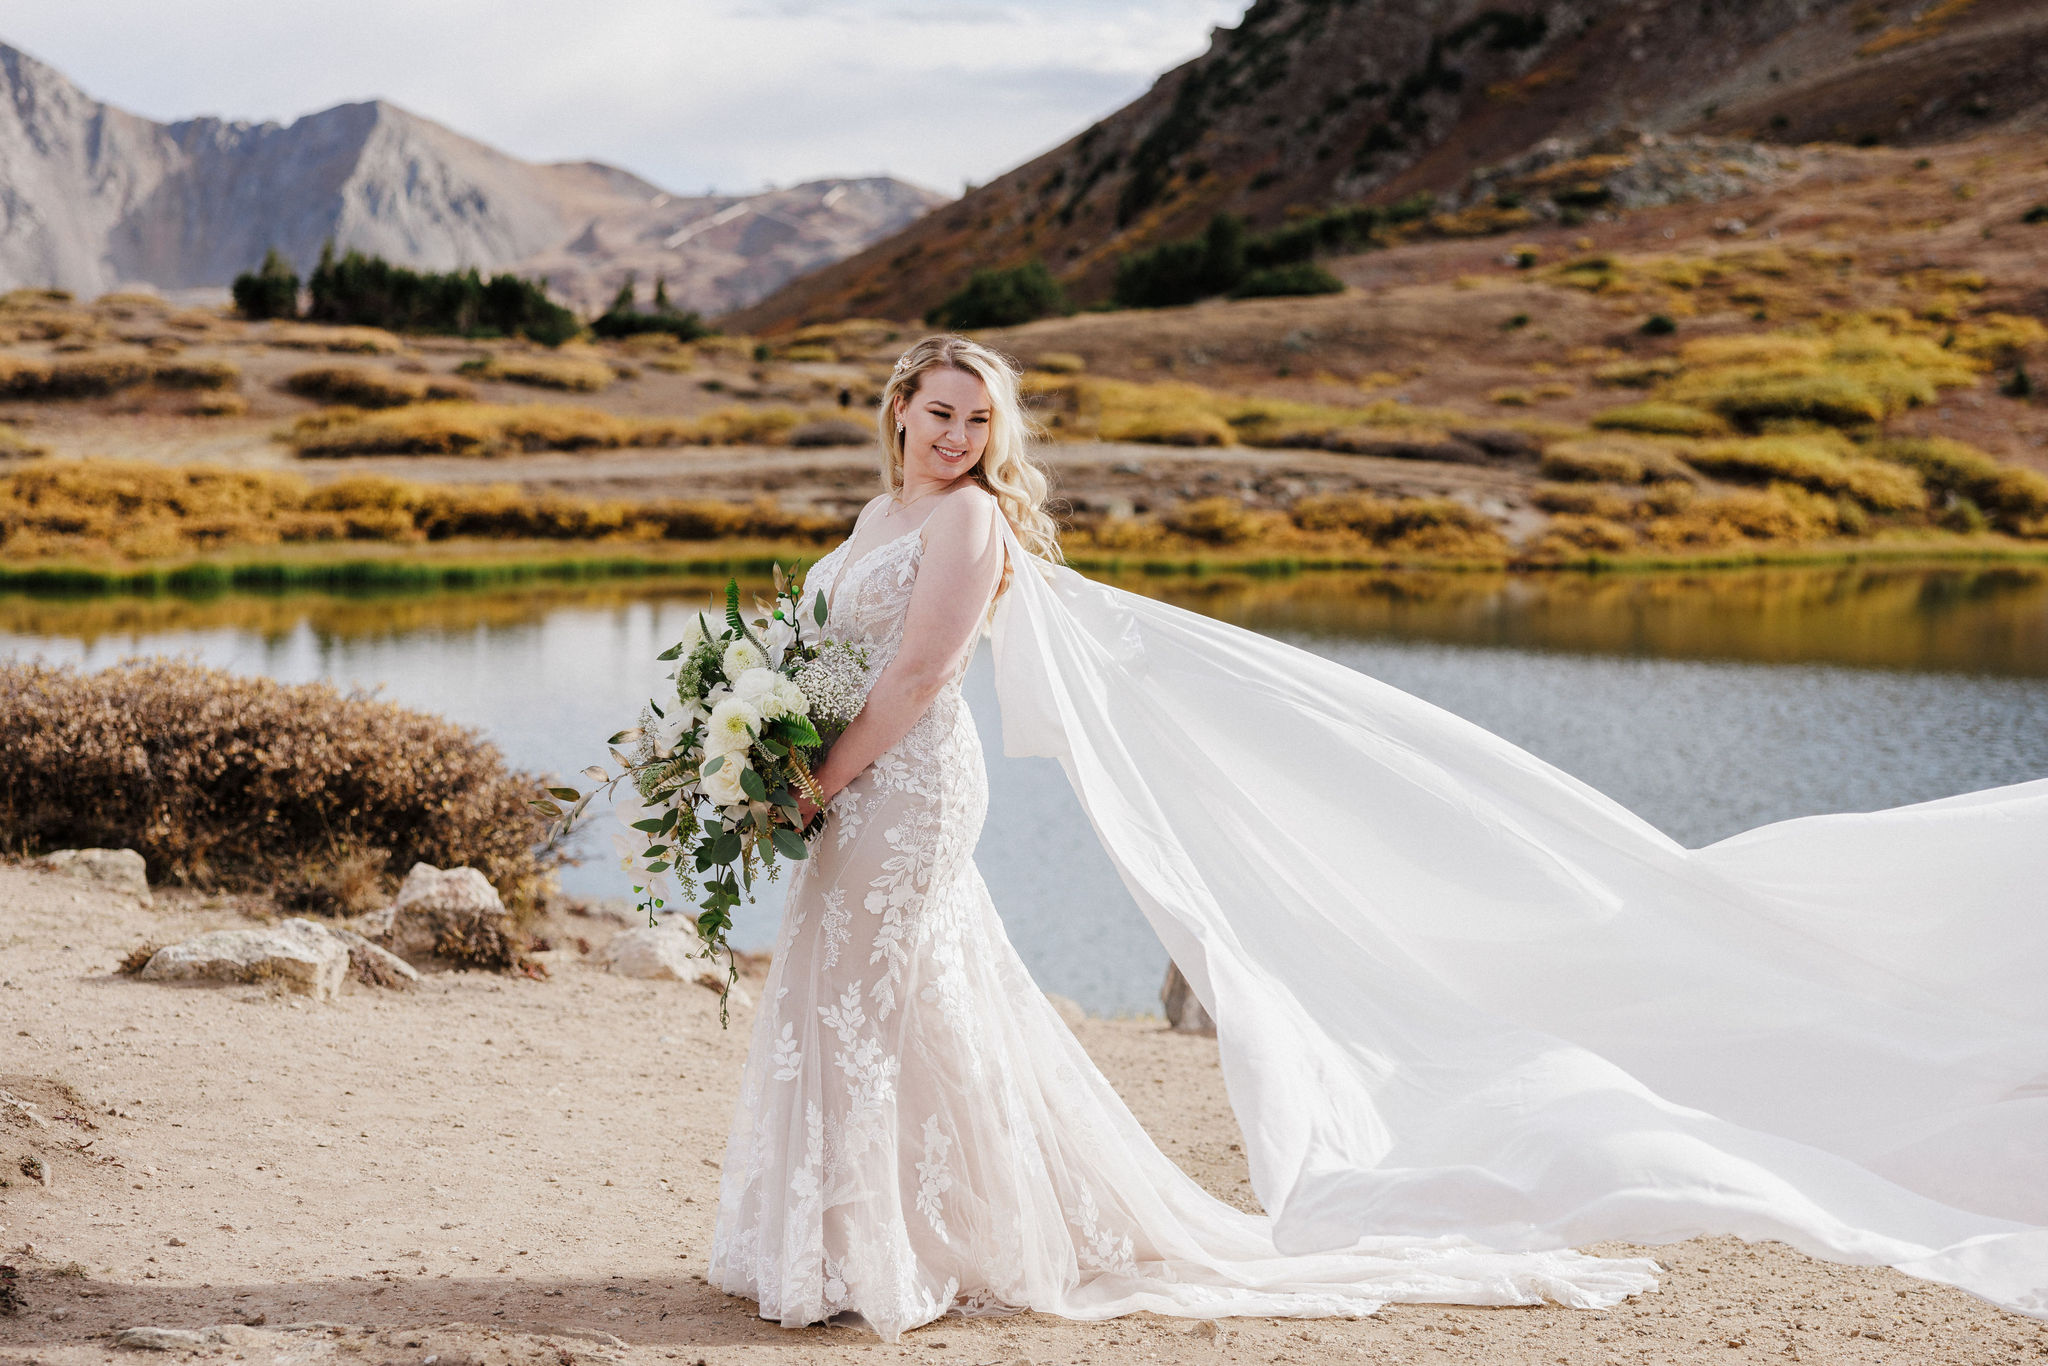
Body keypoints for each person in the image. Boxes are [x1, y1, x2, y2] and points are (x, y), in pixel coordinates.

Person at [708, 335, 2048, 1341]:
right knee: (860, 994)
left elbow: (927, 673)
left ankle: (881, 1255)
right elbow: (833, 654)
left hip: (906, 783)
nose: (951, 435)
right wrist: (770, 753)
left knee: (889, 996)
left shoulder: (969, 519)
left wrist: (817, 776)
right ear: (897, 411)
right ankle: (852, 1238)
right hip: (850, 783)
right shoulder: (876, 516)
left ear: (992, 439)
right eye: (936, 412)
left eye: (974, 420)